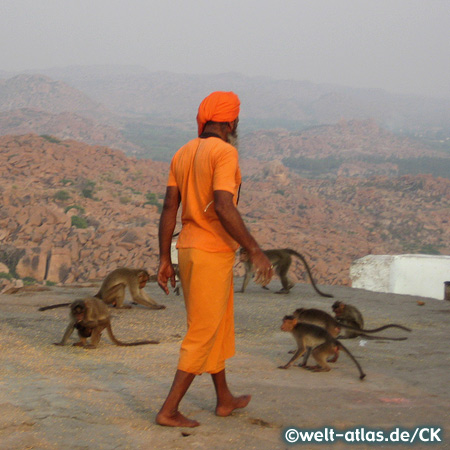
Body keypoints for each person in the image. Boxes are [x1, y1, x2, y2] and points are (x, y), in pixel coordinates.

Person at [156, 91, 273, 427]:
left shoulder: (184, 152)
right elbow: (224, 205)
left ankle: (224, 399)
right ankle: (169, 410)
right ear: (231, 122)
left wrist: (165, 258)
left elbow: (169, 208)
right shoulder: (224, 153)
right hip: (210, 252)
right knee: (203, 332)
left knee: (217, 325)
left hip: (190, 249)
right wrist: (255, 250)